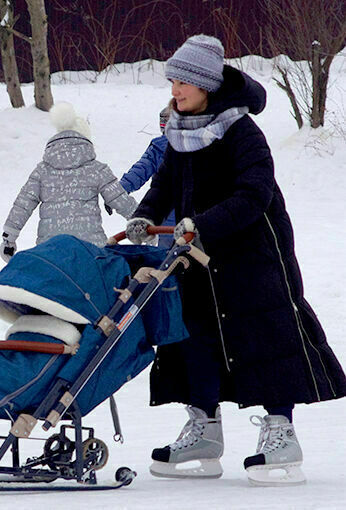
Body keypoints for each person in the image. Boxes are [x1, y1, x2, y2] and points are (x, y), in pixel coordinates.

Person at [125, 34, 346, 485]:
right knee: (197, 333)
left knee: (264, 334)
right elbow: (164, 184)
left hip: (252, 254)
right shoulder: (179, 129)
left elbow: (255, 193)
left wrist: (202, 222)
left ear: (206, 84)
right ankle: (204, 430)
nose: (175, 91)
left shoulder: (241, 130)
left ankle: (281, 434)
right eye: (172, 82)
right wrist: (145, 216)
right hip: (196, 253)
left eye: (183, 82)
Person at [0, 102, 136, 261]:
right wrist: (143, 223)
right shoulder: (97, 169)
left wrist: (9, 237)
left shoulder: (42, 171)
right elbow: (122, 201)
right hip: (91, 250)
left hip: (50, 251)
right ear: (86, 139)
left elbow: (23, 204)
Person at [117, 105, 175, 247]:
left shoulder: (158, 147)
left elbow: (140, 170)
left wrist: (119, 189)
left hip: (164, 214)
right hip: (194, 216)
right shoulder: (199, 144)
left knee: (165, 259)